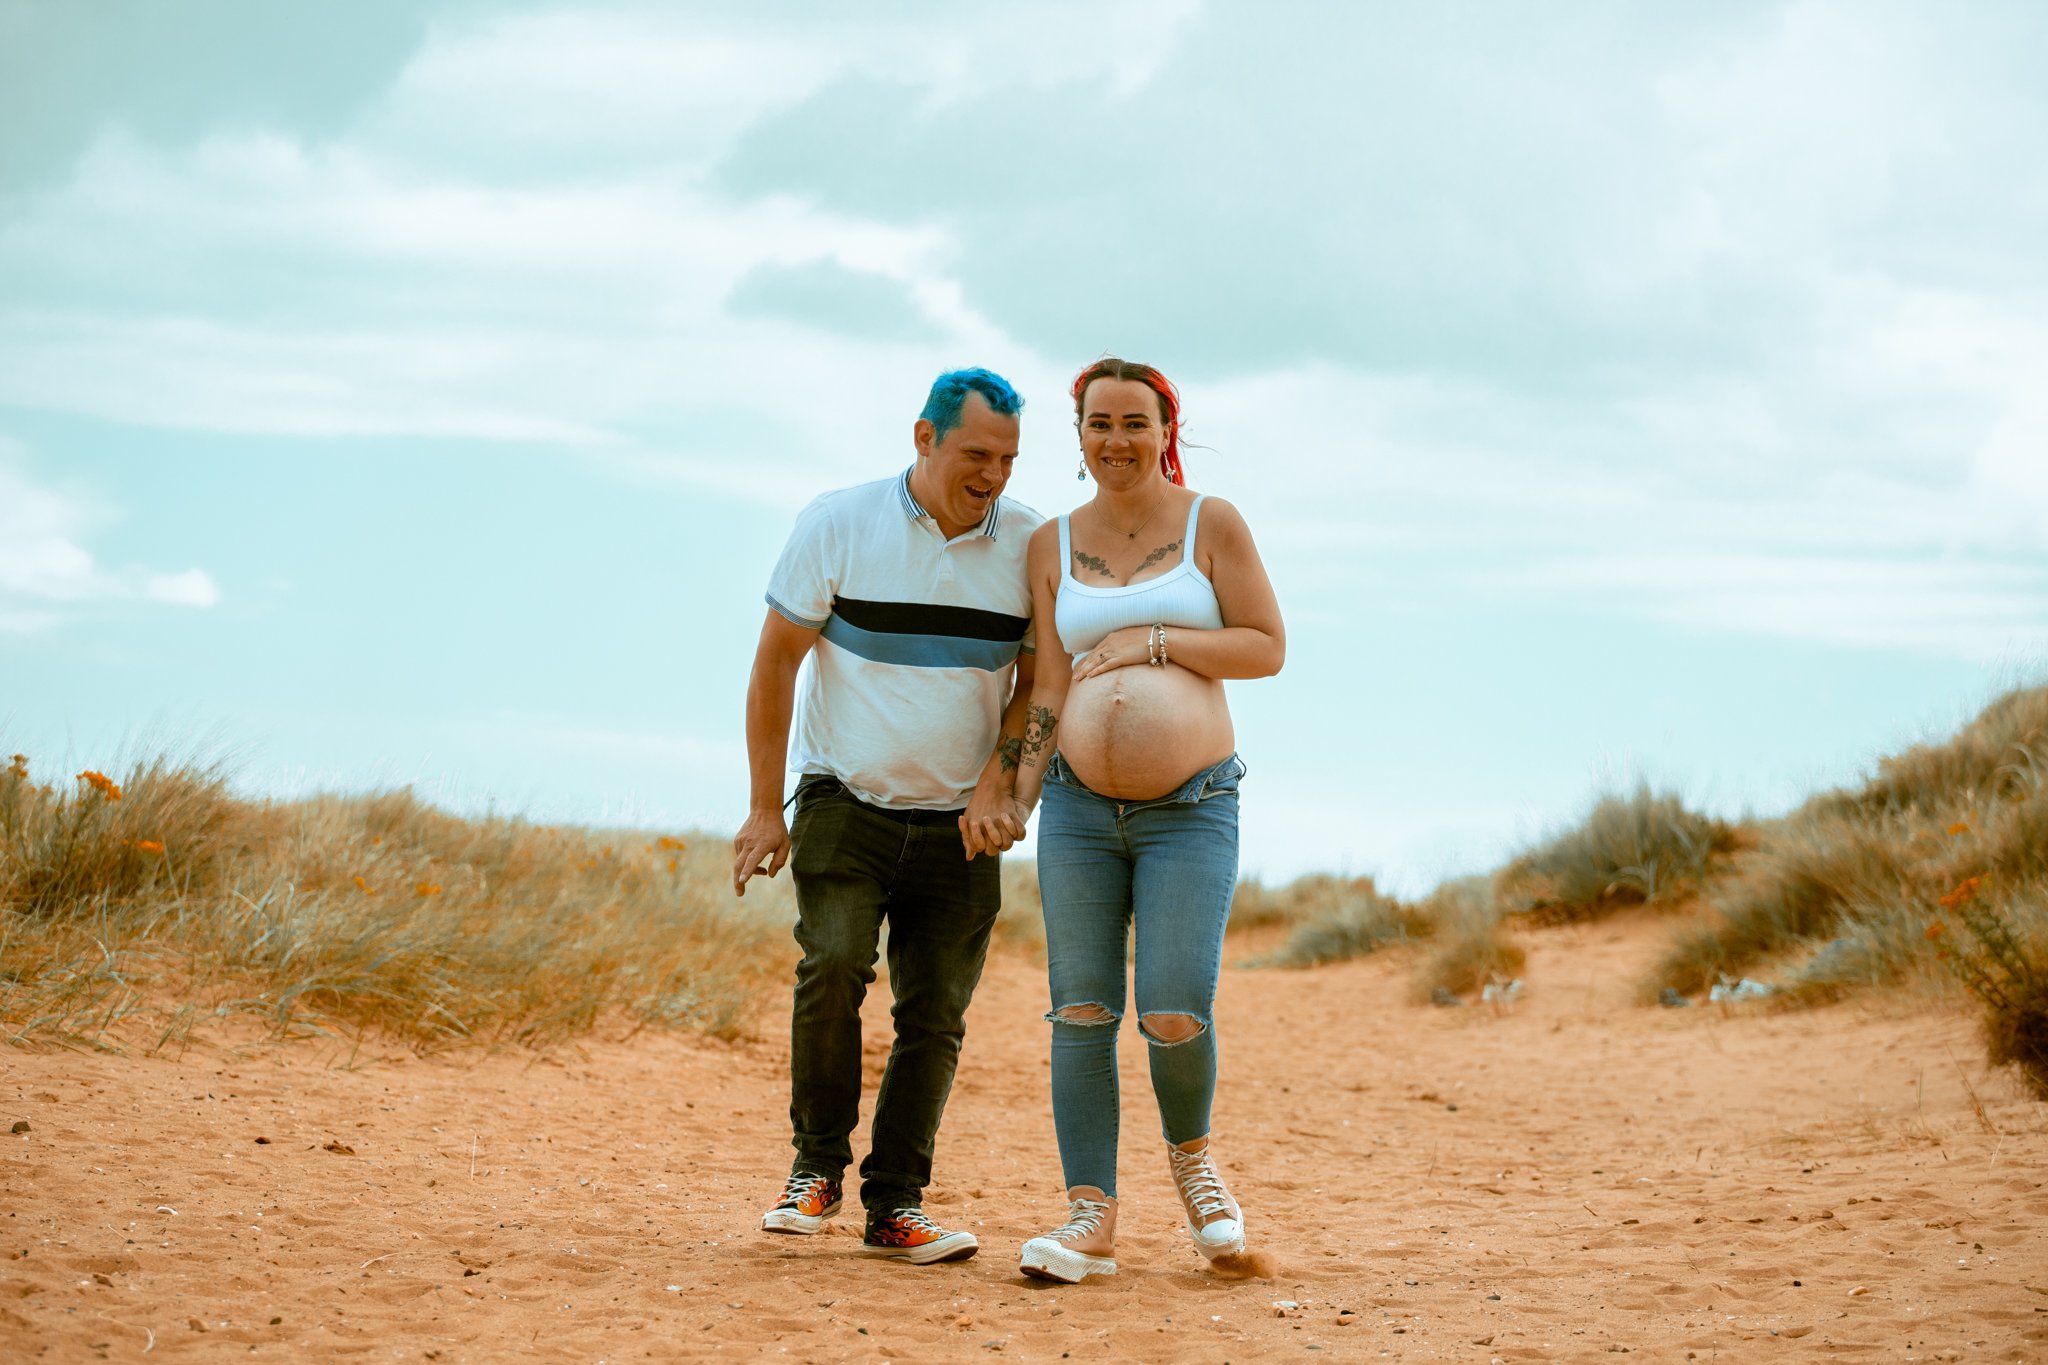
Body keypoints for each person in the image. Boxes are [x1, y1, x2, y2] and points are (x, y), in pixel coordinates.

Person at [732, 367, 1040, 1265]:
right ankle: (814, 1168)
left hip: (962, 822)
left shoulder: (1030, 546)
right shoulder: (837, 522)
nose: (993, 474)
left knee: (935, 1014)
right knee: (831, 965)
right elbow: (774, 664)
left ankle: (896, 1205)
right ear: (923, 438)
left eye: (1010, 459)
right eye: (977, 453)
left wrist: (1000, 784)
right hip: (844, 800)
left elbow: (1033, 687)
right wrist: (763, 808)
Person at [1004, 357, 1284, 1282]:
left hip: (1192, 808)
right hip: (1081, 812)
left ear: (1167, 427)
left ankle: (1194, 1164)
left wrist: (1153, 641)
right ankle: (1090, 1216)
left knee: (1172, 1010)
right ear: (1077, 433)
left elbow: (1265, 645)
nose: (1114, 440)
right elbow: (1047, 681)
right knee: (1080, 1011)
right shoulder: (1051, 543)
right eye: (1097, 424)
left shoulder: (1214, 522)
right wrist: (1020, 789)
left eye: (1133, 422)